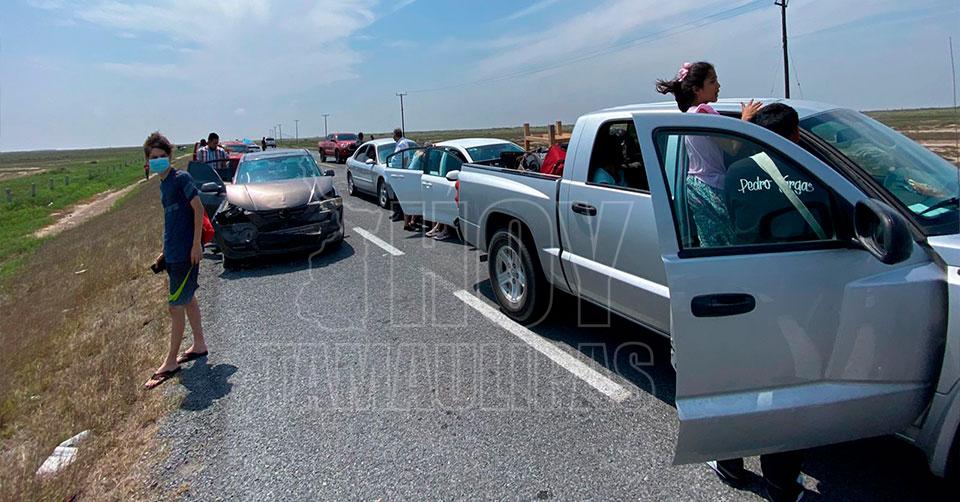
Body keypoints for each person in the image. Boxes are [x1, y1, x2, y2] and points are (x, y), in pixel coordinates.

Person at [708, 103, 812, 502]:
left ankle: (729, 462)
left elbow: (734, 216)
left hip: (746, 286)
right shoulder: (811, 171)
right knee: (788, 388)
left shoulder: (736, 174)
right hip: (797, 290)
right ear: (796, 135)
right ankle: (781, 482)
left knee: (740, 379)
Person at [656, 61, 762, 247]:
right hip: (712, 185)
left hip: (695, 186)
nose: (718, 86)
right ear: (697, 89)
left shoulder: (689, 113)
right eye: (712, 82)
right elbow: (732, 147)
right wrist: (745, 120)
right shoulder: (704, 112)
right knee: (732, 242)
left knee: (711, 242)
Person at [143, 132, 209, 390]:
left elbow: (199, 209)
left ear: (169, 156)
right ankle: (199, 345)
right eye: (153, 157)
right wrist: (163, 251)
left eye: (162, 156)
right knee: (188, 298)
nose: (158, 160)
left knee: (175, 306)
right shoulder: (164, 184)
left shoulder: (181, 178)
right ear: (148, 161)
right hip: (173, 253)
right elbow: (172, 221)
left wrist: (195, 244)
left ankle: (170, 361)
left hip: (185, 254)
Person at [392, 128, 418, 228]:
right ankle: (397, 213)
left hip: (400, 172)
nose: (392, 136)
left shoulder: (402, 143)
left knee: (400, 194)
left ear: (396, 135)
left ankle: (399, 214)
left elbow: (405, 157)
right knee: (396, 193)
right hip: (396, 171)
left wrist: (403, 170)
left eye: (393, 134)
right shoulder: (399, 143)